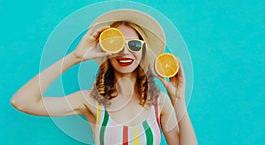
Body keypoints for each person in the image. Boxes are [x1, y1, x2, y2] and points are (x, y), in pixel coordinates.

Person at [11, 9, 197, 145]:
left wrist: (178, 99)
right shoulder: (90, 102)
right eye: (116, 44)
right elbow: (22, 102)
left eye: (133, 44)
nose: (125, 51)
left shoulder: (159, 103)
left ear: (142, 50)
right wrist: (74, 57)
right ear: (106, 51)